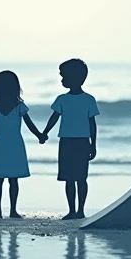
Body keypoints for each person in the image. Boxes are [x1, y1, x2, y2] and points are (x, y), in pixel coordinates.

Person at [0, 70, 46, 218]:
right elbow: (30, 125)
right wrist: (40, 136)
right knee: (13, 179)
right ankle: (13, 210)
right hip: (15, 143)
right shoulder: (19, 106)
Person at [41, 58, 99, 220]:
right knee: (69, 178)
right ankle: (72, 210)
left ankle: (80, 210)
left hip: (79, 142)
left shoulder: (88, 99)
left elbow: (92, 124)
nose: (61, 79)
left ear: (73, 78)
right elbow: (54, 118)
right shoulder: (62, 99)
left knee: (80, 178)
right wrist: (44, 132)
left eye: (63, 76)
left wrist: (93, 144)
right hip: (67, 141)